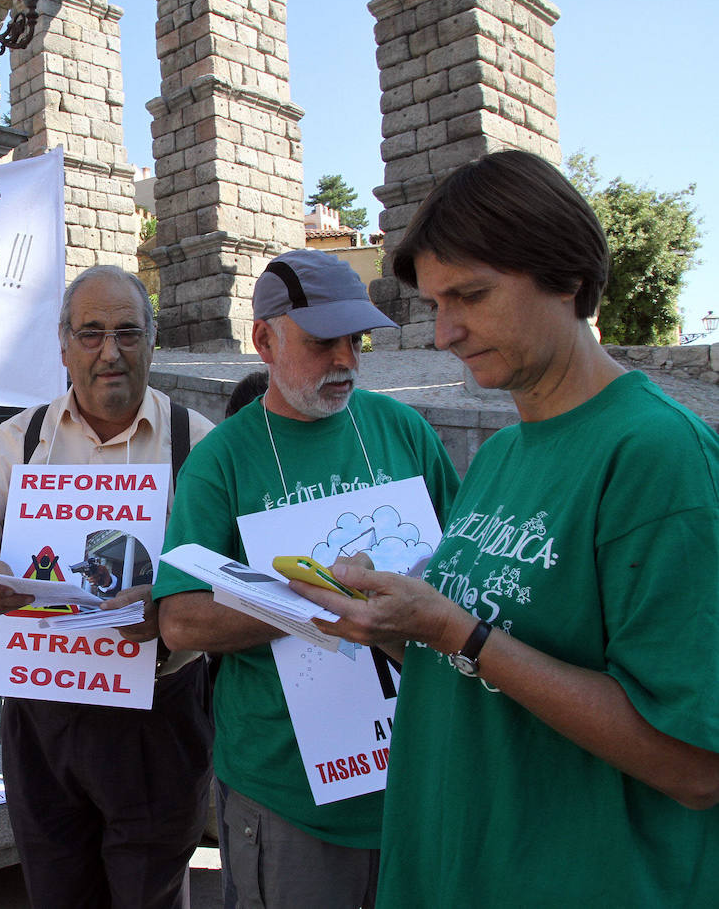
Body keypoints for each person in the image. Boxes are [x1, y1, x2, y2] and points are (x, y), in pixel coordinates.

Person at [289, 150, 719, 907]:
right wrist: (393, 623)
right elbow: (481, 659)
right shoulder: (503, 452)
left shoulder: (660, 457)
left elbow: (694, 766)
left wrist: (459, 633)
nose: (445, 332)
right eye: (434, 304)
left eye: (472, 297)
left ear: (568, 279)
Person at [154, 249, 460, 909]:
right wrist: (312, 603)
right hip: (288, 806)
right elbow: (178, 619)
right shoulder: (221, 461)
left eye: (358, 340)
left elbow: (461, 567)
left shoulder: (402, 428)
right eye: (323, 343)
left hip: (420, 783)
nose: (346, 360)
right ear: (264, 338)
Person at [0, 266, 214, 908]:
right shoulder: (21, 438)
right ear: (63, 346)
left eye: (126, 332)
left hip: (157, 717)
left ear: (152, 340)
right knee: (56, 892)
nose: (109, 352)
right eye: (91, 334)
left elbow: (230, 577)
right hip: (44, 720)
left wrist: (169, 608)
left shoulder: (198, 443)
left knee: (150, 895)